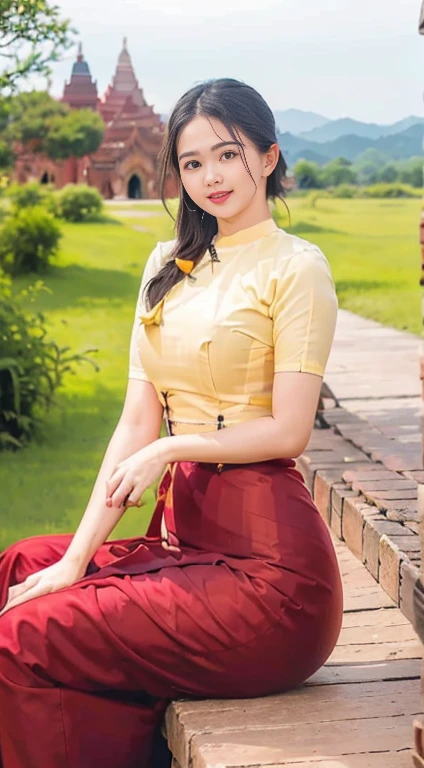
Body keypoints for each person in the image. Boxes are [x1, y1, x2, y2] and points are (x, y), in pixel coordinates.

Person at [0, 78, 343, 768]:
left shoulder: (297, 267)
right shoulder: (167, 266)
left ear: (269, 157)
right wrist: (75, 561)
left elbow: (289, 430)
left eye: (228, 154)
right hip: (187, 541)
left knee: (23, 633)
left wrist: (175, 446)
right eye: (192, 163)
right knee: (22, 565)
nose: (210, 177)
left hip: (272, 580)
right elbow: (135, 420)